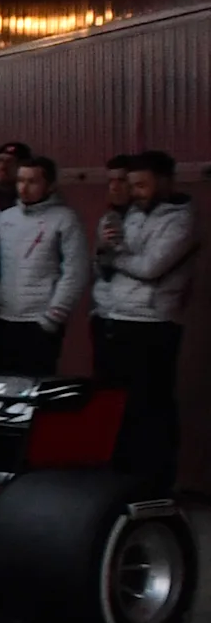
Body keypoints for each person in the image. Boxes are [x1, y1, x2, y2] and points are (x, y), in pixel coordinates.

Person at [94, 150, 193, 484]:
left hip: (154, 324)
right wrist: (105, 251)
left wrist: (117, 257)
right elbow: (106, 265)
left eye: (142, 185)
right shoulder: (130, 215)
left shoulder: (182, 220)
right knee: (119, 410)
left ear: (165, 181)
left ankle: (156, 483)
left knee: (152, 410)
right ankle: (121, 481)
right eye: (131, 185)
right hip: (118, 319)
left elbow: (151, 267)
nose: (135, 192)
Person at [0, 153, 89, 378]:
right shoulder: (6, 218)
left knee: (36, 387)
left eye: (32, 181)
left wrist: (53, 317)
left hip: (40, 322)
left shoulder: (65, 219)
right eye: (20, 180)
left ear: (50, 185)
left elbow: (75, 271)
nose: (24, 188)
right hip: (4, 320)